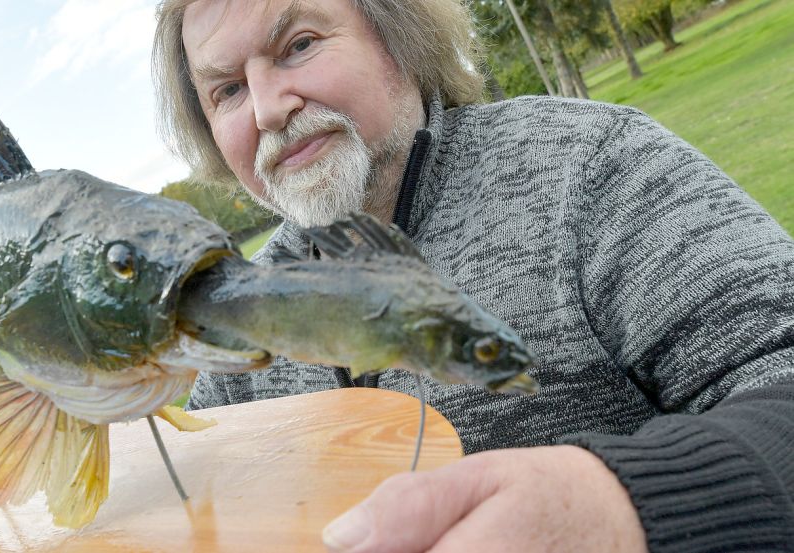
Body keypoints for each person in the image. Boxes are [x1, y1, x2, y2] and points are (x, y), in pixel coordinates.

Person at [152, 0, 794, 551]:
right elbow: (196, 482)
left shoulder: (589, 170)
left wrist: (625, 507)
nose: (266, 108)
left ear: (397, 37)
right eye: (227, 90)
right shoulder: (241, 298)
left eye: (298, 45)